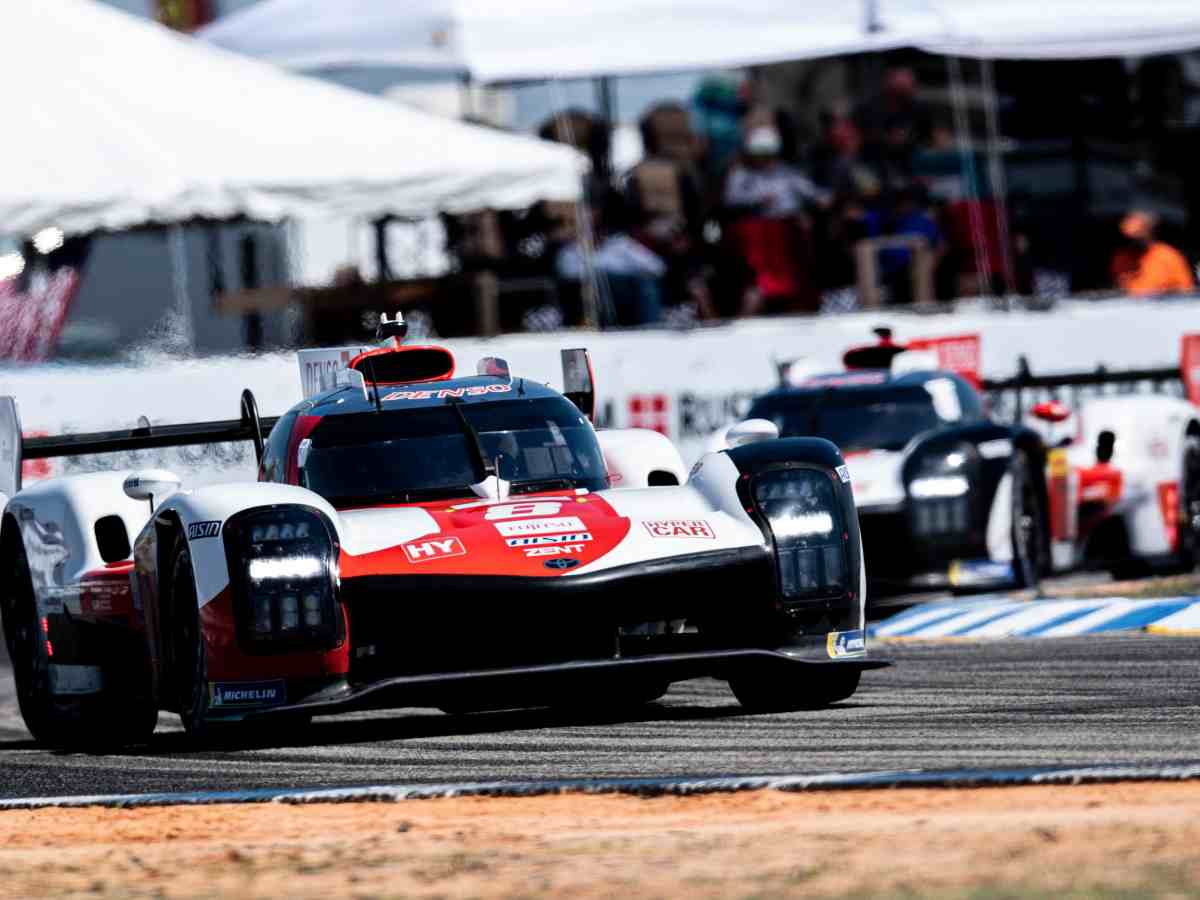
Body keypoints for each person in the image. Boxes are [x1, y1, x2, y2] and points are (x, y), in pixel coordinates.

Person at [723, 126, 828, 315]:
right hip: (757, 237)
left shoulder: (786, 173)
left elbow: (811, 193)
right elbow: (731, 200)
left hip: (787, 235)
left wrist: (821, 200)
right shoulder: (742, 175)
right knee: (758, 282)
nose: (765, 160)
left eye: (769, 155)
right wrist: (757, 200)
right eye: (760, 154)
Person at [1110, 211, 1196, 297]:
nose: (1133, 241)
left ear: (1148, 232)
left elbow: (1187, 291)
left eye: (1138, 235)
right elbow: (1120, 288)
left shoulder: (1168, 255)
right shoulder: (1121, 257)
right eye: (1129, 238)